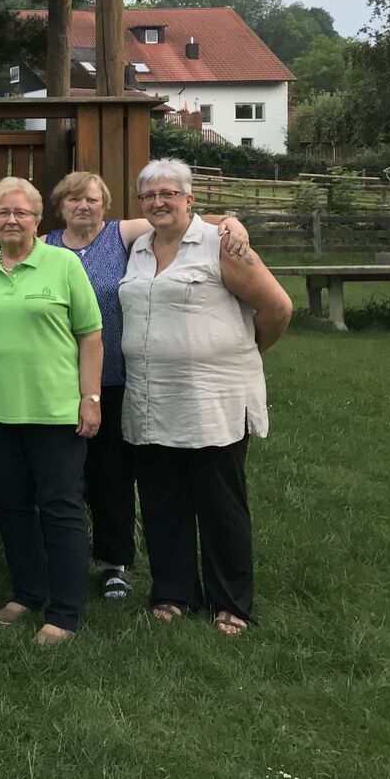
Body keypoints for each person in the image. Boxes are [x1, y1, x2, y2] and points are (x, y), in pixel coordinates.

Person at [43, 171, 251, 601]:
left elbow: (186, 222)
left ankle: (113, 563)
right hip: (56, 382)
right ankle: (59, 555)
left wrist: (231, 222)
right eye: (74, 200)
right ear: (59, 206)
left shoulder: (122, 235)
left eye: (93, 200)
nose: (84, 207)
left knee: (112, 475)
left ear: (106, 205)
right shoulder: (44, 246)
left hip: (117, 378)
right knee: (60, 476)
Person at [119, 159, 292, 636]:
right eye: (149, 195)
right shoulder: (136, 247)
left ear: (190, 199)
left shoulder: (221, 244)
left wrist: (246, 350)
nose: (159, 202)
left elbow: (278, 307)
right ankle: (174, 593)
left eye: (169, 193)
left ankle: (231, 602)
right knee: (161, 502)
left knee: (220, 503)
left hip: (212, 399)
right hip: (151, 399)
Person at [0, 177, 103, 646]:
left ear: (39, 220)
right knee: (14, 507)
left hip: (55, 411)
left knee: (60, 509)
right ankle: (26, 592)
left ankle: (65, 611)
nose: (11, 219)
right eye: (2, 212)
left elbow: (91, 336)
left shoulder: (62, 264)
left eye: (21, 212)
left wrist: (90, 398)